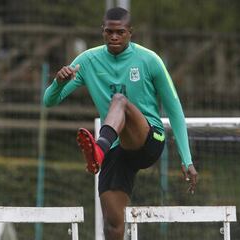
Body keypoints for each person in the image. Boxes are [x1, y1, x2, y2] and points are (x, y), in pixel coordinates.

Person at [44, 7, 198, 240]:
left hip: (149, 139)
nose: (114, 37)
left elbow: (175, 109)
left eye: (120, 32)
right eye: (109, 32)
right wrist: (57, 82)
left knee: (120, 101)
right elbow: (49, 102)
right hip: (116, 149)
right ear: (102, 32)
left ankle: (98, 149)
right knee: (112, 223)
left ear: (130, 33)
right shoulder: (87, 61)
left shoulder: (149, 60)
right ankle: (100, 151)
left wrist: (186, 159)